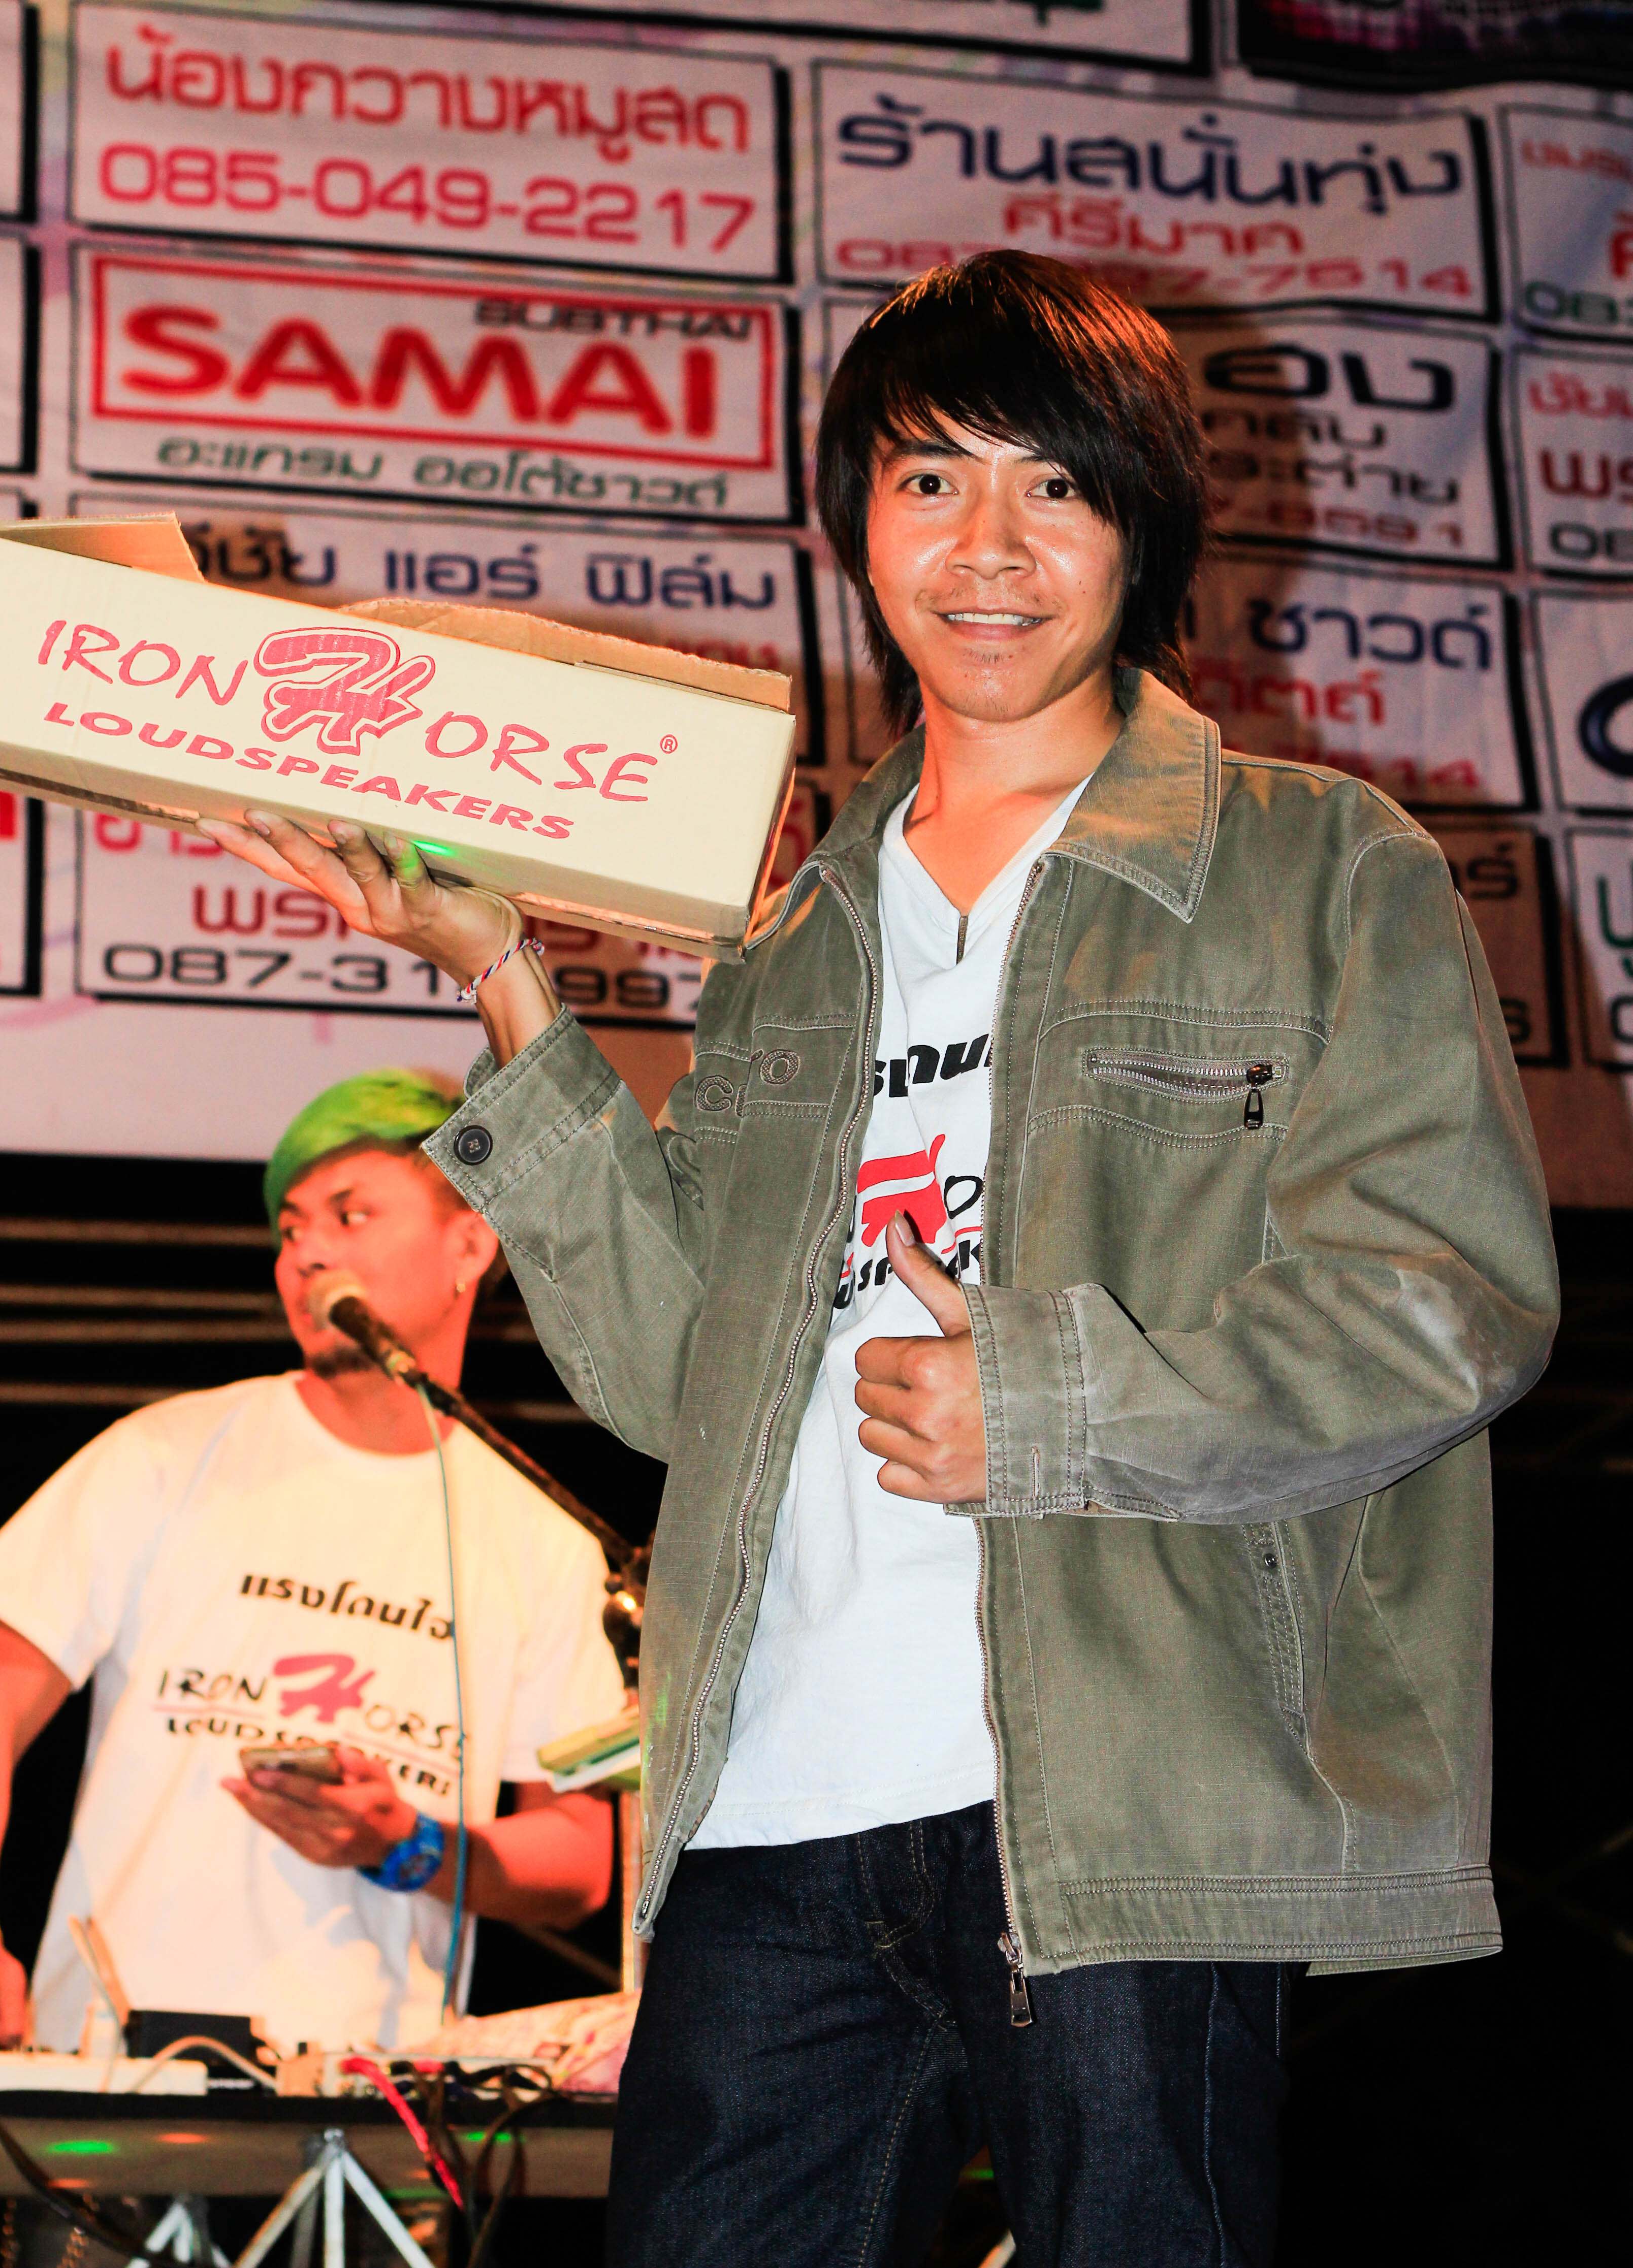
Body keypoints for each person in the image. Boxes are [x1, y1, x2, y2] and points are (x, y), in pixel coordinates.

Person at [200, 254, 1560, 2266]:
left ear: (1140, 528)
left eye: (1053, 487)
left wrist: (1054, 1402)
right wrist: (504, 978)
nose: (987, 548)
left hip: (1120, 1801)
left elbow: (1442, 1301)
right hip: (769, 1803)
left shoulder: (1315, 864)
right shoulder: (792, 936)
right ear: (855, 525)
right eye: (931, 482)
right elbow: (677, 1378)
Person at [0, 1070, 624, 2060]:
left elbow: (580, 1858)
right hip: (111, 2078)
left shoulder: (543, 1537)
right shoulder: (168, 1452)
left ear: (470, 1245)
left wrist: (408, 1844)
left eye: (350, 1214)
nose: (307, 1253)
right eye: (291, 1230)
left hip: (380, 2098)